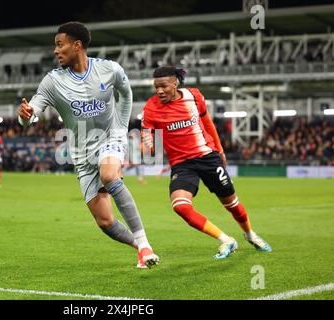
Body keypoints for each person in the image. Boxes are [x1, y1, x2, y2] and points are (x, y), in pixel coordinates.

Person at [18, 21, 159, 269]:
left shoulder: (109, 69)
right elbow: (32, 112)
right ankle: (140, 248)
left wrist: (121, 128)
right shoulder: (52, 81)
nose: (55, 51)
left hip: (110, 139)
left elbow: (126, 93)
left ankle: (144, 242)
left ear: (77, 45)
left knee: (108, 175)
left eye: (60, 45)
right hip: (82, 155)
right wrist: (26, 115)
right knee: (105, 222)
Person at [141, 65, 272, 259]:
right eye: (156, 87)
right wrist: (147, 145)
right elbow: (147, 135)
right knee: (180, 206)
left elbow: (208, 123)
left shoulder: (194, 96)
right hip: (182, 164)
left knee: (232, 204)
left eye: (164, 86)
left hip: (207, 157)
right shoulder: (151, 107)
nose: (159, 91)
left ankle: (250, 234)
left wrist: (219, 150)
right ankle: (226, 240)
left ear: (175, 83)